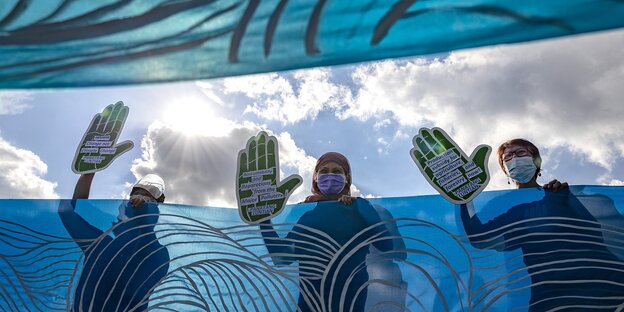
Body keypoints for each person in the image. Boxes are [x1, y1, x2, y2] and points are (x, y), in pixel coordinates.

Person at [460, 139, 624, 311]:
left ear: (536, 160)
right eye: (507, 156)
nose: (514, 158)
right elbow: (480, 238)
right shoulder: (509, 208)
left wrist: (565, 204)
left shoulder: (557, 194)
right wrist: (463, 199)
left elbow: (596, 231)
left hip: (603, 287)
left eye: (521, 153)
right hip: (552, 296)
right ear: (504, 169)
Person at [260, 152, 406, 311]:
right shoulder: (307, 215)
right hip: (311, 304)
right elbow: (282, 258)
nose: (330, 175)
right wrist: (263, 219)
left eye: (337, 171)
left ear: (347, 178)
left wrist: (362, 209)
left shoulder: (360, 209)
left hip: (350, 301)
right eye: (324, 171)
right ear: (315, 177)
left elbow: (388, 247)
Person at [58, 173, 170, 312]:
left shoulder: (157, 254)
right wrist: (88, 172)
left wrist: (144, 213)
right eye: (132, 200)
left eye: (146, 201)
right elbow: (65, 211)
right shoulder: (100, 245)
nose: (135, 203)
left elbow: (137, 285)